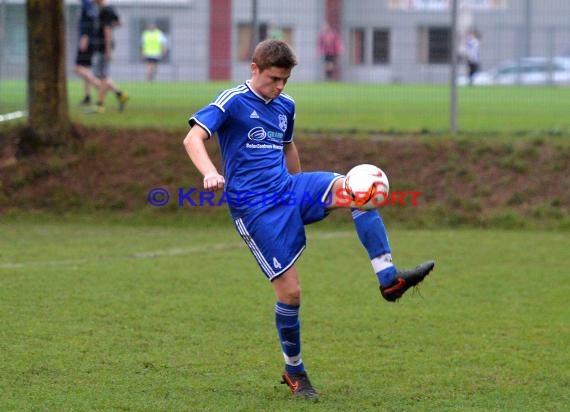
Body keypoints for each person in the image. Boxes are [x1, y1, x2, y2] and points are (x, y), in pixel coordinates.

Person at [183, 39, 435, 401]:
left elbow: (288, 146)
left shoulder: (285, 105)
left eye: (285, 79)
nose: (280, 86)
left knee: (358, 188)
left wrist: (301, 196)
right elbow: (193, 138)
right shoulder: (232, 100)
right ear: (254, 69)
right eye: (273, 78)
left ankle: (389, 279)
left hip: (288, 189)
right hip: (254, 207)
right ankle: (294, 370)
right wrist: (209, 173)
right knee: (291, 293)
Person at [90, 0, 129, 113]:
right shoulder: (110, 8)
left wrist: (108, 50)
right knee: (103, 76)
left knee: (103, 77)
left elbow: (107, 30)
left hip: (104, 47)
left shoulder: (105, 11)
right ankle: (121, 95)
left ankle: (100, 105)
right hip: (103, 47)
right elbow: (120, 22)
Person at [74, 0, 100, 106]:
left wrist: (84, 37)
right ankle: (88, 97)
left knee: (77, 68)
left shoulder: (87, 4)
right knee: (86, 69)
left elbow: (90, 22)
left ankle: (99, 84)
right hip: (90, 41)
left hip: (87, 41)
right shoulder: (90, 5)